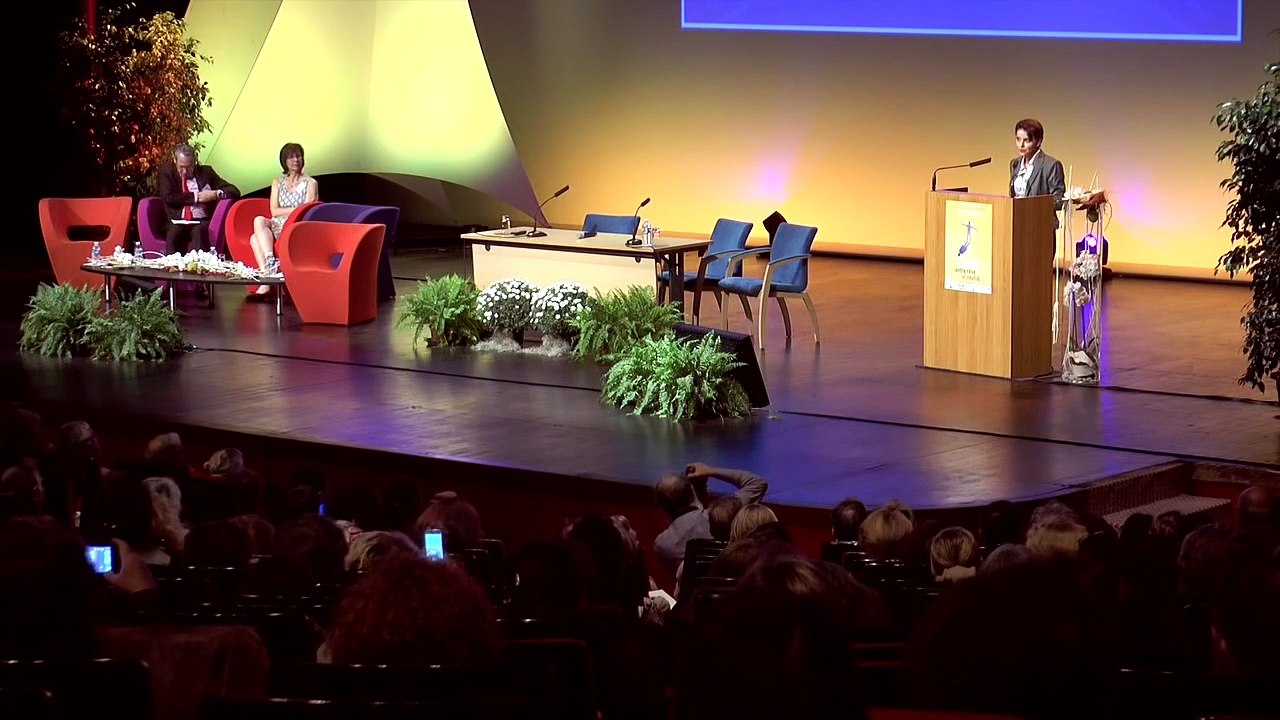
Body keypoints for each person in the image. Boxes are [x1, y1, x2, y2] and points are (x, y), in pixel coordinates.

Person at [653, 461, 767, 575]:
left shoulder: (662, 545)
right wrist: (710, 471)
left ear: (661, 506)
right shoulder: (722, 514)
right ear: (692, 491)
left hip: (696, 592)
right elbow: (757, 483)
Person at [249, 142, 318, 294]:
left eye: (299, 156)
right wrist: (293, 209)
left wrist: (288, 212)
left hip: (294, 226)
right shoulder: (277, 183)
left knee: (255, 238)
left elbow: (306, 209)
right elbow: (274, 211)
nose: (296, 160)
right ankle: (270, 263)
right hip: (276, 224)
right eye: (292, 157)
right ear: (284, 161)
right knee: (259, 220)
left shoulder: (310, 183)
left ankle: (267, 282)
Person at [158, 143, 240, 255]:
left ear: (194, 162)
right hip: (177, 220)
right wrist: (197, 197)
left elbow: (234, 191)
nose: (185, 172)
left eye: (189, 167)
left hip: (201, 221)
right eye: (181, 167)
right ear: (174, 161)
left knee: (199, 231)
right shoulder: (167, 173)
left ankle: (199, 266)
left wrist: (216, 194)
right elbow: (169, 197)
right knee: (174, 231)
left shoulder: (206, 173)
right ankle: (171, 267)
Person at [1008, 118, 1066, 229]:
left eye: (1027, 140)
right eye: (1018, 139)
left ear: (1038, 141)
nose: (1021, 145)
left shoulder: (1051, 165)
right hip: (1018, 223)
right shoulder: (1015, 164)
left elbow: (1059, 201)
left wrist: (1032, 206)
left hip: (1040, 226)